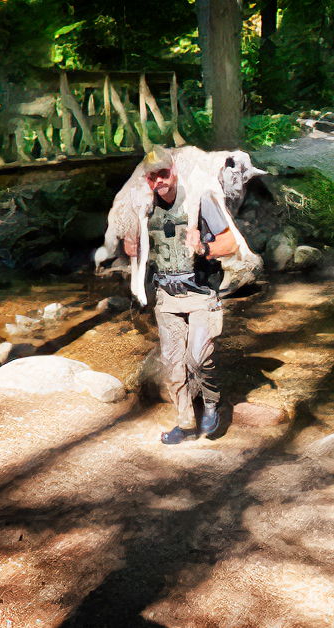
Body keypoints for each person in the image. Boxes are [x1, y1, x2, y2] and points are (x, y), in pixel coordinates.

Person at [123, 146, 241, 445]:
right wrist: (131, 244)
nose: (159, 181)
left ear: (173, 171)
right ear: (147, 180)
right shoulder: (144, 207)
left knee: (198, 358)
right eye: (152, 177)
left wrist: (202, 247)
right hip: (167, 296)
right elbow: (137, 245)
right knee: (174, 366)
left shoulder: (200, 200)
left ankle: (212, 402)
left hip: (200, 292)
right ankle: (185, 423)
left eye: (164, 173)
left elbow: (230, 245)